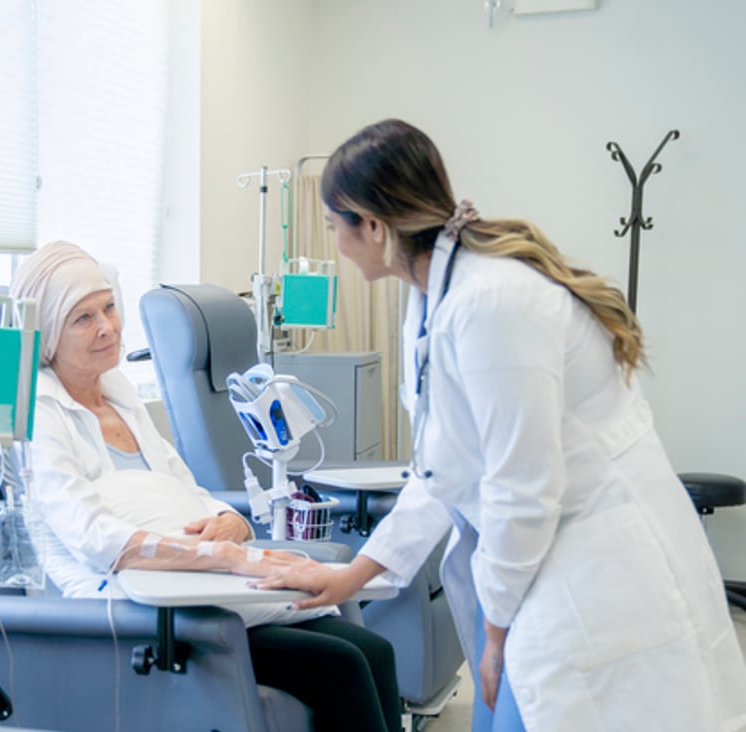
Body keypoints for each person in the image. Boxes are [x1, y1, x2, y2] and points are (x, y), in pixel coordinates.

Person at [253, 118, 746, 731]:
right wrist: (350, 574)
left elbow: (524, 486)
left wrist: (495, 632)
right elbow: (444, 467)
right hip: (545, 566)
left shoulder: (492, 302)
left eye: (336, 228)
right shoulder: (435, 295)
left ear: (374, 226)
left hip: (595, 571)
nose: (337, 246)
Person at [8, 240, 402, 732]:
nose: (107, 327)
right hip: (133, 607)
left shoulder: (121, 395)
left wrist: (230, 523)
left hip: (202, 583)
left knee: (373, 650)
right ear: (46, 335)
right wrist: (224, 557)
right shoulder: (39, 413)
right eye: (82, 319)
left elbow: (187, 492)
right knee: (339, 666)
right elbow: (95, 538)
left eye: (108, 307)